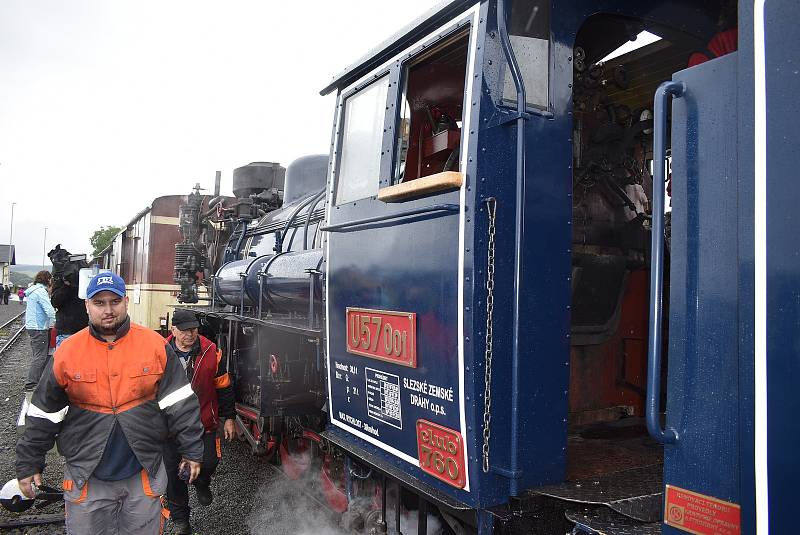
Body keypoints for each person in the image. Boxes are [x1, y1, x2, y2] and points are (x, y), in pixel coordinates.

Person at [15, 272, 204, 535]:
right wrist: (29, 462)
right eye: (99, 303)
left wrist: (192, 451)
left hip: (143, 473)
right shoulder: (67, 353)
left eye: (114, 301)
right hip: (87, 476)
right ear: (87, 306)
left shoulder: (155, 346)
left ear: (126, 302)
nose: (108, 310)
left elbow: (181, 404)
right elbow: (44, 413)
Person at [163, 309, 235, 534]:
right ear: (173, 330)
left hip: (204, 421)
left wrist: (229, 417)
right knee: (174, 478)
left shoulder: (211, 351)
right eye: (184, 330)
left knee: (210, 462)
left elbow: (223, 386)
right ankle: (181, 521)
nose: (189, 334)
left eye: (193, 329)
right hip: (169, 428)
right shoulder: (160, 352)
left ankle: (202, 481)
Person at [22, 271, 56, 393]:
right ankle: (31, 384)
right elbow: (50, 310)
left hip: (32, 326)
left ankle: (38, 380)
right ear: (48, 280)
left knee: (39, 355)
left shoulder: (32, 291)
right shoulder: (41, 292)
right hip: (39, 327)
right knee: (40, 357)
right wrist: (56, 322)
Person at [49, 269, 89, 347]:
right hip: (65, 330)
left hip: (83, 330)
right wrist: (66, 285)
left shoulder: (85, 277)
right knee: (63, 358)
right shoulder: (60, 281)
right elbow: (55, 302)